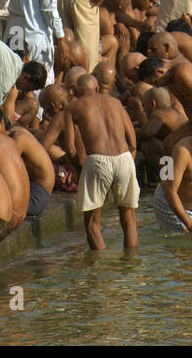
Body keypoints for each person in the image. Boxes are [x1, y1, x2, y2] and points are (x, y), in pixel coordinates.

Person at [44, 78, 139, 250]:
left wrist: (76, 167)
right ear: (96, 87)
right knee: (129, 219)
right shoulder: (116, 103)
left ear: (74, 90)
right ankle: (131, 268)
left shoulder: (73, 108)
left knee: (92, 225)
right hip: (125, 158)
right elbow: (133, 142)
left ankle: (100, 271)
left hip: (97, 160)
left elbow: (71, 149)